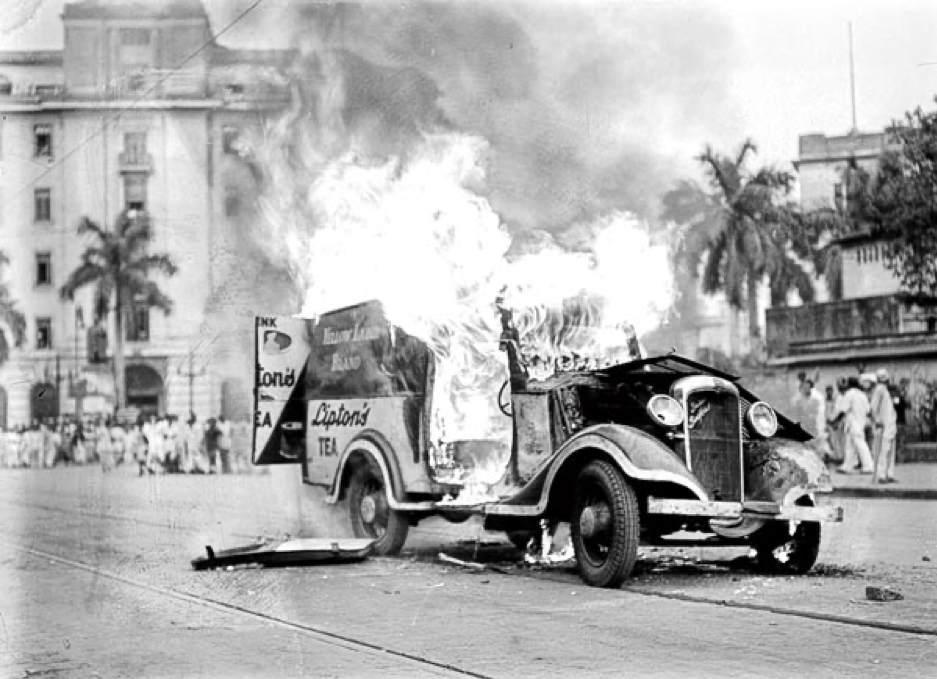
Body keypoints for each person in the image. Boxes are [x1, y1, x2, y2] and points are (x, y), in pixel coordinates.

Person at [831, 375, 875, 474]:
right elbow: (868, 410)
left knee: (860, 444)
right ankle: (847, 466)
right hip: (860, 422)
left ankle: (868, 466)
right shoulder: (862, 394)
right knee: (850, 446)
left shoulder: (850, 394)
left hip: (853, 423)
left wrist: (835, 421)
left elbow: (843, 410)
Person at [870, 368, 899, 484]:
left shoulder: (885, 390)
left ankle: (889, 474)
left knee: (890, 451)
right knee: (884, 450)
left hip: (890, 424)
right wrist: (877, 420)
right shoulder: (879, 389)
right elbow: (873, 407)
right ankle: (882, 475)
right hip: (884, 425)